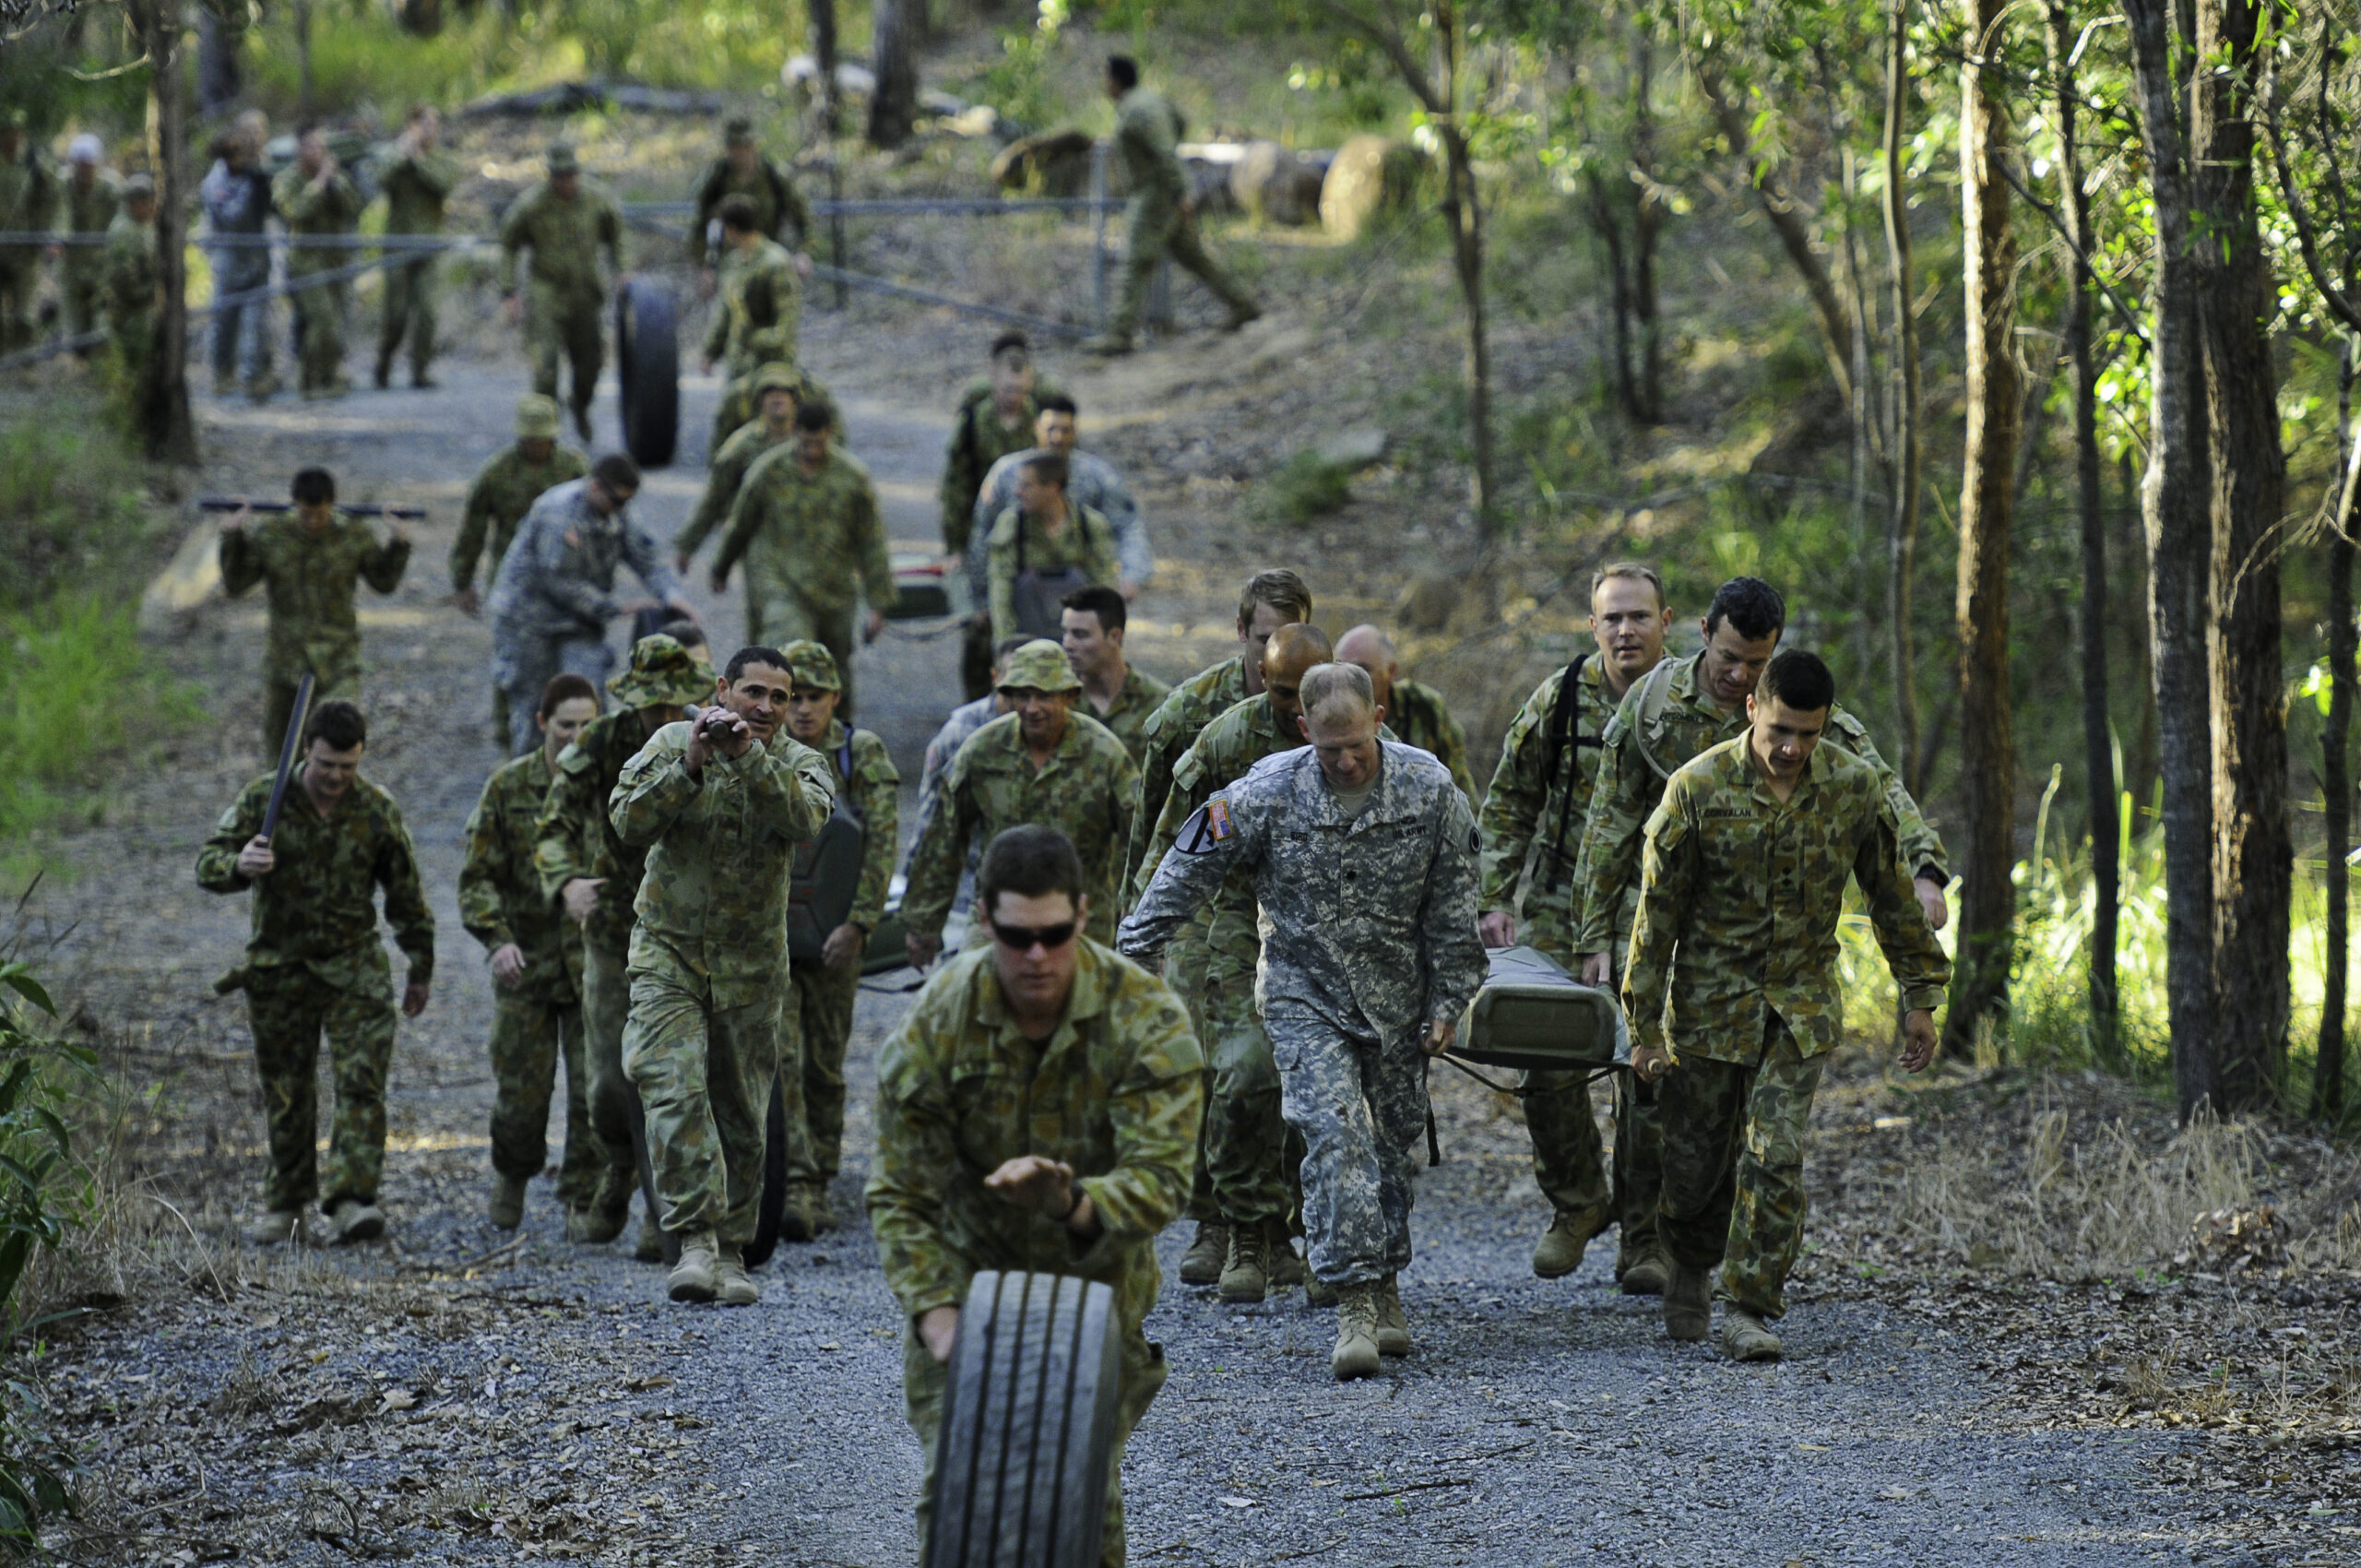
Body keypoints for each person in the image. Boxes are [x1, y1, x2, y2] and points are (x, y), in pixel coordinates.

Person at [1573, 576, 1951, 1295]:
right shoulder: (1658, 716)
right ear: (1705, 638)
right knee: (1678, 1141)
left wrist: (1926, 875)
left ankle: (1750, 1301)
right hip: (1694, 963)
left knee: (1773, 1154)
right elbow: (1611, 826)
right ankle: (1657, 1244)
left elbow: (1885, 814)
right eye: (1730, 660)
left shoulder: (1824, 743)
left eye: (1757, 660)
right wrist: (1599, 941)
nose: (1741, 673)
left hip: (1794, 991)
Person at [1120, 662, 1484, 1381]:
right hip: (1302, 991)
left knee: (1389, 1149)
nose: (1346, 760)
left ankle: (1385, 1286)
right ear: (1302, 730)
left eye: (1357, 744)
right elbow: (1186, 867)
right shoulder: (1265, 791)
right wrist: (1135, 949)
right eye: (1329, 748)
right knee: (1332, 1131)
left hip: (1395, 1001)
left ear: (1380, 718)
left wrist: (1447, 1003)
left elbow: (1453, 906)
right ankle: (1351, 1302)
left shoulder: (1429, 787)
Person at [867, 825, 1204, 1568]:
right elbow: (899, 1194)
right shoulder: (939, 1023)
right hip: (968, 1274)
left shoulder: (1145, 1018)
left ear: (1083, 915)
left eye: (1055, 933)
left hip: (1096, 1281)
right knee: (956, 1505)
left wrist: (1071, 1203)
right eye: (1018, 937)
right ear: (983, 920)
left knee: (1082, 1511)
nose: (1038, 956)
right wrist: (939, 1315)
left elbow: (1164, 1179)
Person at [611, 646, 836, 1306]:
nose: (765, 707)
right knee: (674, 1088)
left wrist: (749, 759)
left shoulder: (800, 764)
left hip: (750, 968)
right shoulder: (669, 744)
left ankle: (734, 1249)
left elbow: (804, 820)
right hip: (668, 955)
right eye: (753, 692)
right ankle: (695, 1240)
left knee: (742, 1109)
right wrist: (691, 763)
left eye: (779, 697)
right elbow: (626, 821)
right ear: (722, 689)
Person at [1475, 563, 1670, 1286]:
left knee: (1650, 1075)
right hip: (1559, 910)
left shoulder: (1684, 703)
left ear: (1665, 622)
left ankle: (1645, 1237)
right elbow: (1509, 801)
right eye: (1612, 618)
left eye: (1638, 616)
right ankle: (1580, 1203)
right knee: (1544, 1063)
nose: (1625, 629)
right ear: (1593, 626)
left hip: (1658, 915)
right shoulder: (1560, 700)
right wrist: (1494, 895)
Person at [1129, 624, 1335, 1303]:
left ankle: (1317, 1236)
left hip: (1329, 928)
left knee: (1331, 1085)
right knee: (1243, 1069)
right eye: (1279, 694)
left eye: (1305, 694)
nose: (1294, 711)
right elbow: (1173, 842)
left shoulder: (1365, 739)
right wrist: (1144, 933)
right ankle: (1246, 1226)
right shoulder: (1227, 740)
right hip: (1233, 918)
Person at [195, 700, 433, 1247]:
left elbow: (406, 894)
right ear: (306, 750)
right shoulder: (265, 799)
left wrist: (420, 965)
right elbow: (208, 862)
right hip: (280, 967)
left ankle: (352, 1199)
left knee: (361, 1082)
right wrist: (239, 865)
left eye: (347, 767)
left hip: (355, 965)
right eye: (326, 765)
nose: (335, 778)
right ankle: (286, 1204)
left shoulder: (375, 809)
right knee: (287, 1090)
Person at [535, 635, 717, 1251]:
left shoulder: (715, 736)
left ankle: (665, 1204)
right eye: (652, 707)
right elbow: (553, 824)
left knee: (680, 1073)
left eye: (674, 706)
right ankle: (619, 1166)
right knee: (609, 1081)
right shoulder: (601, 744)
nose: (663, 719)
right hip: (615, 929)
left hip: (691, 933)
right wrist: (565, 883)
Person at [460, 672, 603, 1231]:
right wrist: (497, 940)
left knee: (596, 1090)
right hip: (527, 965)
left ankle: (583, 1197)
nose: (575, 736)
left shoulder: (613, 787)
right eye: (566, 725)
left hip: (594, 968)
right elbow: (476, 878)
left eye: (587, 726)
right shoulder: (508, 788)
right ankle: (512, 1176)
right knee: (522, 1091)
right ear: (543, 723)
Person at [767, 640, 899, 1239]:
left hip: (834, 938)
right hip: (772, 937)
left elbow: (879, 844)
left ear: (835, 698)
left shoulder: (858, 755)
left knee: (823, 1063)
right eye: (791, 697)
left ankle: (819, 1176)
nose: (800, 709)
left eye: (812, 697)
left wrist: (860, 924)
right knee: (781, 1057)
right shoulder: (766, 749)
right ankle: (794, 1181)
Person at [902, 640, 1140, 965]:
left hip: (1081, 924)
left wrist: (1138, 922)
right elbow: (943, 836)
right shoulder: (982, 751)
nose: (1032, 707)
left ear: (1069, 696)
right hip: (997, 919)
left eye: (1044, 695)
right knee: (975, 997)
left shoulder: (1106, 756)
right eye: (1022, 696)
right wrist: (923, 923)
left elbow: (1138, 842)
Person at [487, 453, 692, 756]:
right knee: (534, 709)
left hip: (579, 623)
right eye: (617, 501)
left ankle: (590, 785)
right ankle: (530, 787)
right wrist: (615, 608)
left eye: (627, 502)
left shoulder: (617, 512)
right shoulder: (557, 512)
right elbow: (559, 582)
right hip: (528, 622)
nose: (622, 509)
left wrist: (671, 594)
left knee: (589, 702)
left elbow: (646, 558)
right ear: (595, 486)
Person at [711, 400, 895, 714]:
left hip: (834, 591)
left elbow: (871, 541)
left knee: (834, 676)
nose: (811, 451)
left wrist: (879, 601)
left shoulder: (852, 477)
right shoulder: (769, 470)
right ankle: (773, 745)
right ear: (796, 433)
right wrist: (722, 566)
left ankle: (838, 748)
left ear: (830, 435)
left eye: (819, 443)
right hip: (782, 584)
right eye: (806, 443)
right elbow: (742, 522)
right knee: (785, 664)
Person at [219, 467, 413, 758]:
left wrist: (399, 542)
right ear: (294, 504)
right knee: (283, 761)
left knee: (336, 747)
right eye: (305, 514)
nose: (312, 522)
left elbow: (384, 582)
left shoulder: (353, 534)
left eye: (319, 515)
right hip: (286, 664)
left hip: (338, 661)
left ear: (332, 505)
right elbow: (236, 584)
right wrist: (233, 536)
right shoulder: (273, 535)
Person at [1083, 54, 1260, 357]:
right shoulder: (1150, 100)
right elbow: (1180, 122)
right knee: (1194, 256)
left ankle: (1119, 334)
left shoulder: (1137, 110)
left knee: (1134, 263)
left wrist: (1181, 192)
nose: (1103, 84)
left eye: (1105, 77)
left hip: (1156, 194)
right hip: (1164, 191)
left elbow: (1165, 152)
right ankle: (1243, 304)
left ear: (1114, 80)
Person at [941, 332, 1062, 699]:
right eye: (1006, 386)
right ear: (993, 379)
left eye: (1020, 387)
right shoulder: (976, 421)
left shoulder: (1042, 422)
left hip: (1032, 534)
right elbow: (956, 486)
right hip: (983, 534)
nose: (1013, 394)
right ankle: (977, 703)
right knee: (980, 622)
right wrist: (955, 545)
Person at [969, 392, 1155, 603]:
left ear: (1074, 431)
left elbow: (1128, 527)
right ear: (1036, 426)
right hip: (1017, 595)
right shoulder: (1006, 473)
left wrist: (1132, 576)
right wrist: (981, 599)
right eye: (1050, 429)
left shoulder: (1097, 476)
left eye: (1065, 430)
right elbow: (982, 532)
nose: (1057, 438)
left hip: (1081, 592)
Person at [499, 143, 623, 443]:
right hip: (547, 289)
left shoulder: (597, 198)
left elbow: (618, 235)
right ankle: (545, 434)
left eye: (570, 174)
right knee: (545, 366)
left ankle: (580, 406)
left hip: (585, 290)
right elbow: (508, 243)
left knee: (591, 363)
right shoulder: (532, 204)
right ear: (550, 176)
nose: (565, 181)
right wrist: (509, 291)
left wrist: (622, 271)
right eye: (559, 175)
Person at [698, 194, 811, 456]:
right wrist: (711, 351)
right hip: (740, 366)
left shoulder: (775, 263)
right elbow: (726, 312)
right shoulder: (734, 262)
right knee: (734, 433)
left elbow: (786, 323)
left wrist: (756, 340)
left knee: (771, 437)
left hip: (771, 368)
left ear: (731, 228)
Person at [675, 361, 803, 569]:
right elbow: (715, 497)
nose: (778, 398)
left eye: (784, 392)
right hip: (758, 540)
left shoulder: (810, 443)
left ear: (794, 399)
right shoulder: (741, 445)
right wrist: (689, 545)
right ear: (760, 400)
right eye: (770, 392)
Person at [986, 454, 1122, 646]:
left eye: (1026, 486)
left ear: (1052, 489)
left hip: (1079, 639)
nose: (1017, 492)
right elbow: (1000, 591)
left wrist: (1105, 647)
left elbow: (1105, 589)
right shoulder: (1012, 524)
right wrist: (1005, 647)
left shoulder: (1090, 525)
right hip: (1027, 636)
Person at [1333, 624, 1475, 802]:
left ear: (1391, 671)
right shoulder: (1324, 718)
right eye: (1341, 668)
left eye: (1363, 670)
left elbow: (1459, 784)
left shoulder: (1423, 707)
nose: (1350, 679)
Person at [273, 124, 364, 400]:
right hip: (305, 261)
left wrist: (334, 184)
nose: (319, 152)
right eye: (312, 145)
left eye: (322, 146)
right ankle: (310, 380)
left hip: (335, 260)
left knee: (334, 323)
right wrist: (319, 184)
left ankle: (325, 377)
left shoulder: (337, 176)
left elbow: (354, 207)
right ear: (299, 149)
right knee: (322, 320)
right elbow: (294, 212)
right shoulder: (286, 180)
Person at [374, 104, 459, 390]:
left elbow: (444, 184)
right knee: (395, 315)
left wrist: (419, 161)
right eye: (424, 125)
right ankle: (383, 363)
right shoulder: (394, 156)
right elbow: (380, 180)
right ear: (411, 127)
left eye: (434, 125)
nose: (429, 131)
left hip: (428, 247)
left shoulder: (442, 160)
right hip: (397, 246)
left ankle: (420, 370)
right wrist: (402, 157)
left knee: (428, 313)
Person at [199, 113, 279, 399]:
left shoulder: (258, 173)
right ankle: (222, 374)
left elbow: (276, 209)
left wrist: (265, 186)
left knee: (257, 324)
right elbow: (232, 216)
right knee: (225, 320)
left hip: (257, 257)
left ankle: (254, 377)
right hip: (228, 259)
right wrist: (252, 189)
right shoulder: (216, 181)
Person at [690, 116, 811, 280]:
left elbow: (804, 218)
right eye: (734, 146)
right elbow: (700, 225)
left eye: (745, 145)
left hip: (769, 264)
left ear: (755, 145)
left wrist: (804, 253)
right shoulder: (717, 178)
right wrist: (704, 267)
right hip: (728, 267)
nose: (740, 152)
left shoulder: (775, 176)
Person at [1061, 585, 1169, 766]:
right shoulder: (1056, 702)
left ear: (1115, 637)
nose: (1068, 644)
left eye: (1080, 635)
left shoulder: (1159, 706)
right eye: (1065, 633)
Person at [0, 109, 57, 353]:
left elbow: (53, 199)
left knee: (25, 313)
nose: (11, 137)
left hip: (24, 249)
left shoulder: (34, 161)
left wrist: (48, 234)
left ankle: (25, 362)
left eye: (15, 131)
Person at [57, 135, 121, 351]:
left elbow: (121, 224)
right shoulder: (62, 185)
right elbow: (57, 217)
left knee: (102, 319)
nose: (85, 172)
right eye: (80, 166)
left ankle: (100, 362)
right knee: (73, 319)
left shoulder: (112, 189)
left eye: (90, 166)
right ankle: (76, 363)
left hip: (103, 262)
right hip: (71, 264)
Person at [101, 175, 158, 390]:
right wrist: (147, 292)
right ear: (136, 203)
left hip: (140, 307)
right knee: (132, 358)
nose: (151, 207)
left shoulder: (143, 227)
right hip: (129, 309)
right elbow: (123, 274)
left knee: (142, 356)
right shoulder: (125, 231)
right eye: (147, 202)